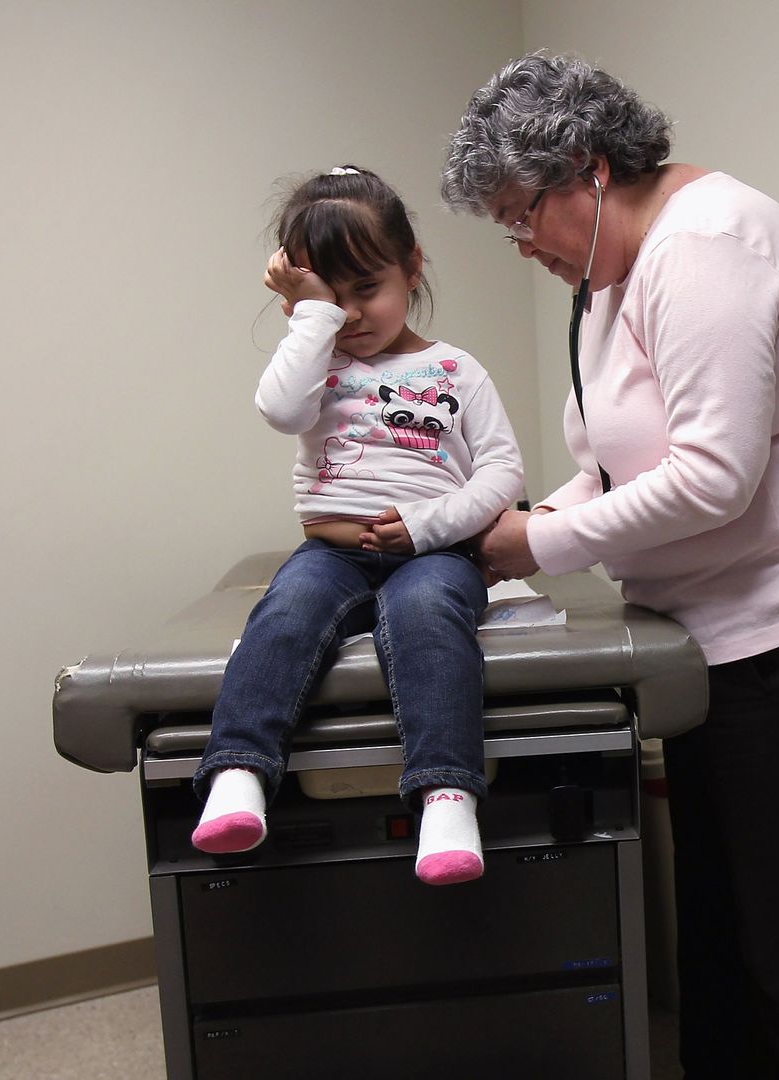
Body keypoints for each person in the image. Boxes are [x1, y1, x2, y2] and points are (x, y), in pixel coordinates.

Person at [443, 55, 779, 1078]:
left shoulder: (705, 250)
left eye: (524, 214)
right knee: (724, 930)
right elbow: (616, 466)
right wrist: (512, 526)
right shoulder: (615, 273)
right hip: (708, 641)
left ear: (589, 169)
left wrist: (539, 543)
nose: (522, 245)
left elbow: (711, 481)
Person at [190, 165, 523, 887]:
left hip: (429, 554)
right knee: (286, 610)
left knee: (427, 612)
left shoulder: (456, 370)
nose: (352, 316)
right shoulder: (316, 363)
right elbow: (280, 412)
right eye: (329, 301)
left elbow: (503, 475)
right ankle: (240, 774)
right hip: (331, 554)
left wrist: (427, 525)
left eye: (366, 290)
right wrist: (310, 318)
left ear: (412, 268)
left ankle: (446, 796)